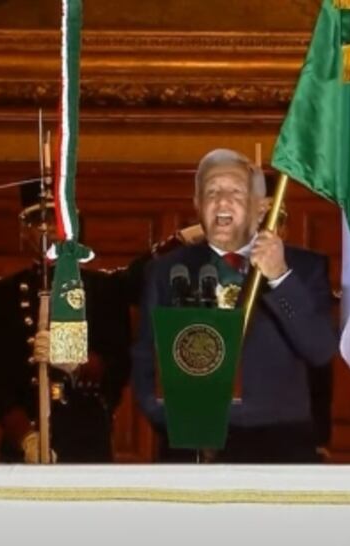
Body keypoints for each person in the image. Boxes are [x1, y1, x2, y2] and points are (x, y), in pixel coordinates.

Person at [132, 148, 337, 463]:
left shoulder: (304, 268)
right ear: (197, 206)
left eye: (235, 192)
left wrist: (280, 277)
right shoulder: (165, 271)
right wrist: (174, 424)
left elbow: (320, 349)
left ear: (260, 208)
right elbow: (146, 360)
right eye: (212, 192)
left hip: (280, 446)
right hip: (191, 449)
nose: (222, 201)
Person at [0, 181, 130, 463]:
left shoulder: (104, 290)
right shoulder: (2, 295)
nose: (46, 228)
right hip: (23, 441)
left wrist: (75, 362)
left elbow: (119, 367)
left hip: (86, 439)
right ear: (23, 231)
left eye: (55, 219)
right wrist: (26, 436)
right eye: (37, 220)